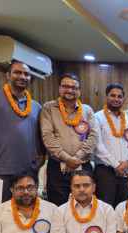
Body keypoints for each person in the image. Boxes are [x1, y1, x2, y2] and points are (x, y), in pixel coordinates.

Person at [0, 61, 44, 213]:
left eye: (26, 74)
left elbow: (40, 135)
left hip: (29, 170)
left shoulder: (35, 106)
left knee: (27, 212)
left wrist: (41, 157)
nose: (22, 77)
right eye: (17, 72)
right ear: (8, 75)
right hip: (1, 170)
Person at [40, 73, 99, 206]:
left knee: (85, 205)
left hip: (83, 165)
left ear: (79, 91)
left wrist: (75, 159)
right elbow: (47, 136)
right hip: (57, 168)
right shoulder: (48, 108)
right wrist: (67, 159)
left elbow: (94, 136)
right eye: (66, 86)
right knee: (57, 207)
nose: (70, 90)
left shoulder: (87, 110)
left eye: (74, 87)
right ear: (59, 88)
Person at [93, 83, 128, 207]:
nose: (116, 99)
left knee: (124, 209)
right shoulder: (97, 117)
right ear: (105, 97)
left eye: (119, 96)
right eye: (112, 95)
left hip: (127, 172)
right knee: (105, 209)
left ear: (124, 99)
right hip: (105, 173)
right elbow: (97, 146)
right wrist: (117, 165)